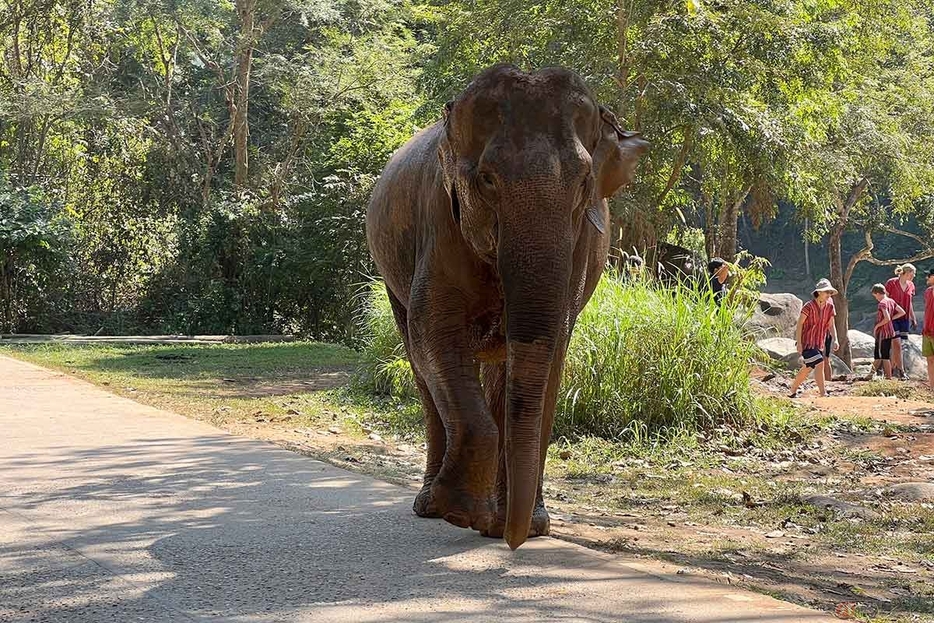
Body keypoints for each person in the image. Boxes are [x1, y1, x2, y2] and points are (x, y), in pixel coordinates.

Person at [789, 279, 838, 398]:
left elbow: (831, 325)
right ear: (819, 292)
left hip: (819, 343)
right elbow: (800, 324)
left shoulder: (830, 307)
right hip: (807, 342)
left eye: (830, 293)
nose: (829, 295)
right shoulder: (808, 306)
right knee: (820, 363)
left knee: (808, 367)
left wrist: (835, 339)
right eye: (827, 292)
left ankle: (793, 389)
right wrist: (799, 343)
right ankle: (823, 393)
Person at [885, 263, 917, 379]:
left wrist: (913, 318)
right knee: (897, 344)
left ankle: (893, 369)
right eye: (913, 273)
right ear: (908, 272)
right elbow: (885, 301)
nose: (914, 275)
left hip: (905, 318)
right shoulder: (891, 283)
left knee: (897, 345)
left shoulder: (911, 285)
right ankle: (901, 371)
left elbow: (910, 303)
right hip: (893, 317)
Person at [867, 283, 905, 380]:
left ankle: (887, 377)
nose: (876, 298)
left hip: (883, 332)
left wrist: (877, 326)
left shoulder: (882, 303)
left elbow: (886, 318)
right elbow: (902, 312)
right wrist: (892, 318)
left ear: (878, 293)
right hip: (890, 331)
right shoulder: (891, 301)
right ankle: (871, 375)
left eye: (875, 296)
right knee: (885, 355)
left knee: (881, 355)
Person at [821, 296, 839, 383]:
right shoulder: (812, 304)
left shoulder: (829, 304)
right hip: (815, 335)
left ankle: (828, 382)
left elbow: (831, 324)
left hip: (826, 334)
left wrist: (836, 339)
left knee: (825, 358)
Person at [922, 268, 934, 389]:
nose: (927, 278)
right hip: (927, 332)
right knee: (930, 360)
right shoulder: (928, 292)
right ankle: (932, 390)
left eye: (929, 276)